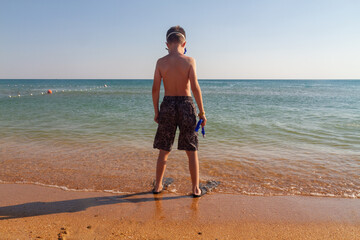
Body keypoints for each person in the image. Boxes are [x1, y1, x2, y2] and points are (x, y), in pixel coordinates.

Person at [152, 25, 207, 197]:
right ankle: (195, 189)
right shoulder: (189, 61)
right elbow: (196, 88)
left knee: (164, 149)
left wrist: (156, 112)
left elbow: (155, 89)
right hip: (186, 104)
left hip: (167, 105)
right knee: (192, 150)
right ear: (184, 43)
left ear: (167, 44)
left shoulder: (161, 62)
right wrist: (202, 113)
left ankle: (158, 186)